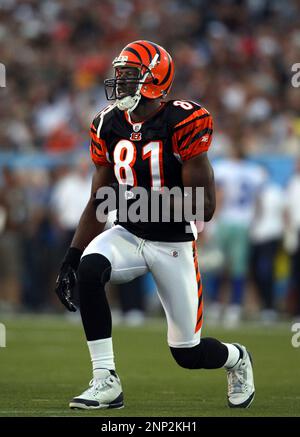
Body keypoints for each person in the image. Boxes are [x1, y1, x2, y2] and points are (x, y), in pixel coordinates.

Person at [55, 40, 255, 410]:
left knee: (187, 352)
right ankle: (105, 380)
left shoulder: (183, 121)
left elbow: (204, 206)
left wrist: (138, 201)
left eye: (129, 76)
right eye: (119, 75)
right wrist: (72, 254)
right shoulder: (106, 123)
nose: (120, 83)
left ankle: (236, 357)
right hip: (128, 234)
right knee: (89, 268)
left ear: (155, 79)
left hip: (172, 242)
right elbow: (99, 198)